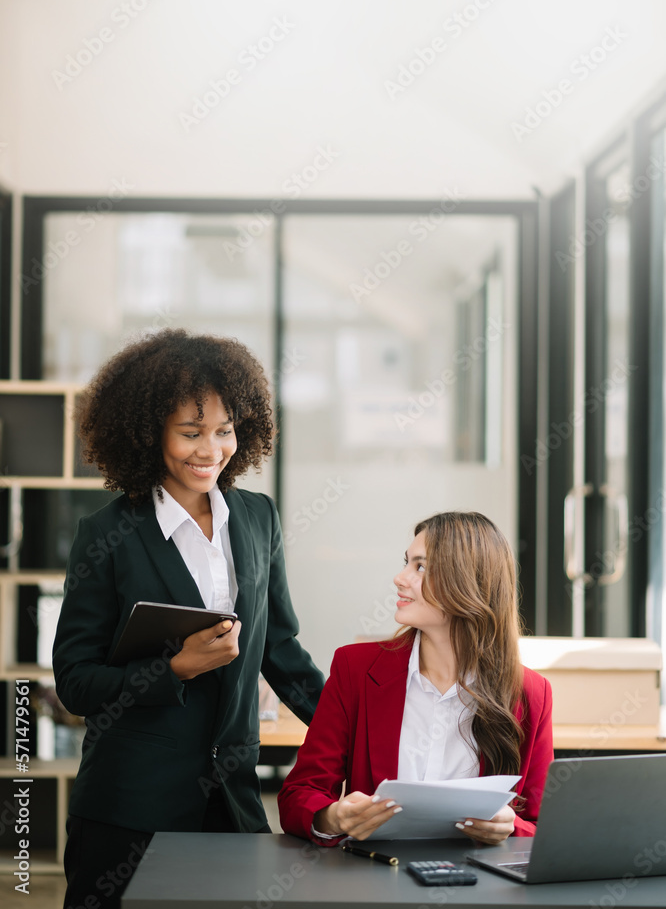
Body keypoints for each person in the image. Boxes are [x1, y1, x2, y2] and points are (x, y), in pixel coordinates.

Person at [53, 329, 324, 909]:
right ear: (150, 435)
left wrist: (351, 730)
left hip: (232, 801)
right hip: (129, 808)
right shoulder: (106, 535)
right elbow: (75, 682)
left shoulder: (256, 517)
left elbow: (281, 649)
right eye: (191, 433)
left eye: (224, 431)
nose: (211, 450)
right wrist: (174, 669)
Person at [278, 511, 553, 846]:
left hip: (478, 887)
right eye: (407, 563)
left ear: (467, 581)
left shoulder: (529, 693)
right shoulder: (356, 668)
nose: (400, 577)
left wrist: (509, 828)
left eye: (420, 567)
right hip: (375, 878)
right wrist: (334, 817)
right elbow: (299, 795)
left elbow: (542, 827)